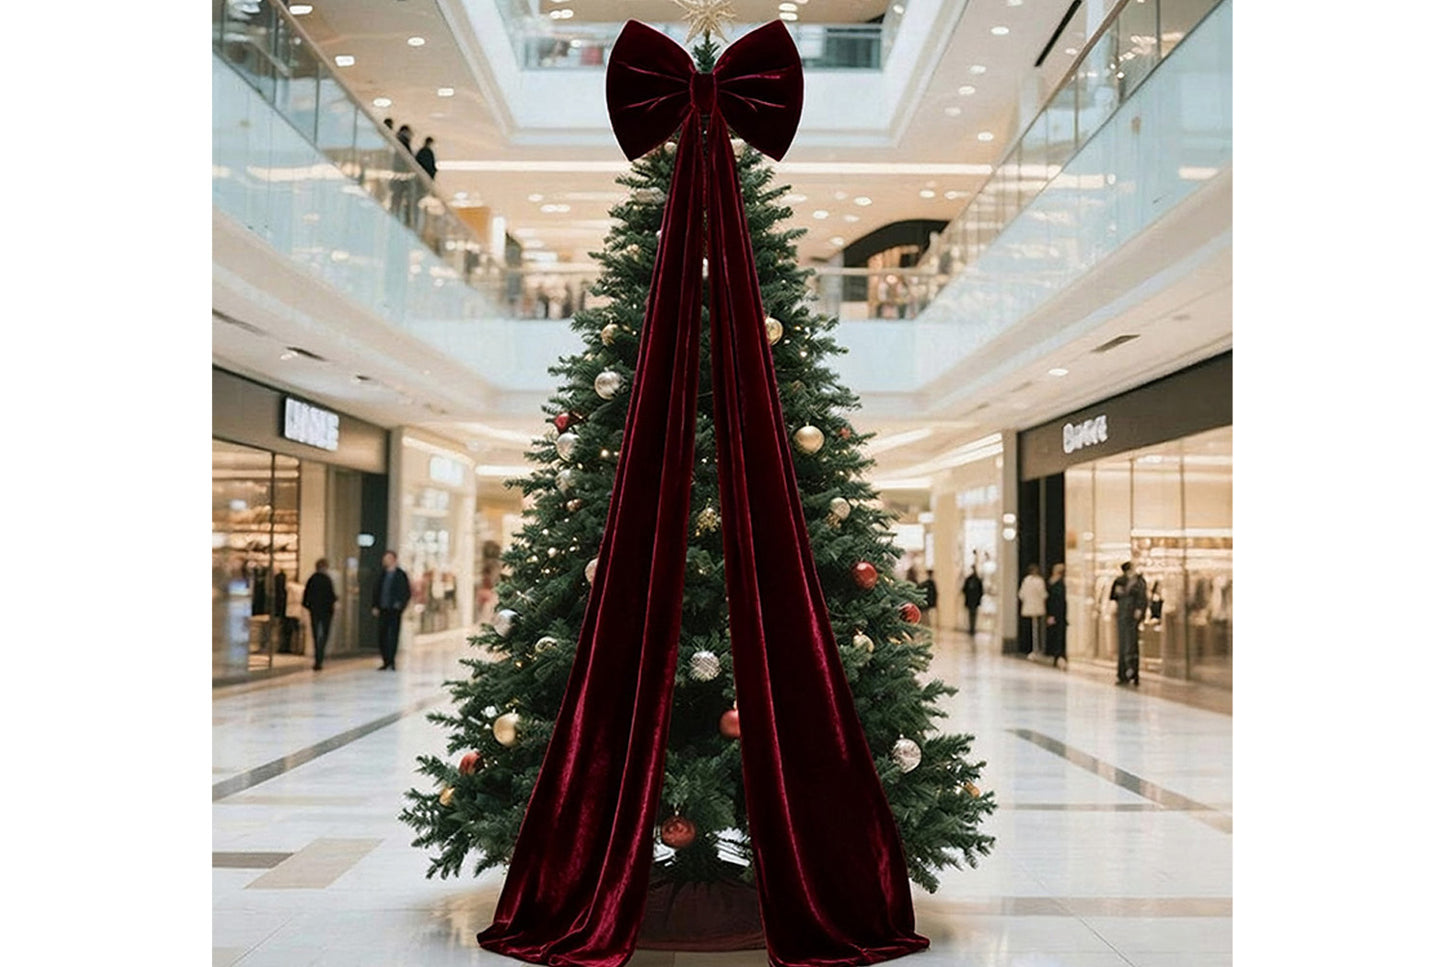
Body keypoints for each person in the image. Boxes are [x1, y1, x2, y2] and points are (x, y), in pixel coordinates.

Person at [1110, 561, 1148, 685]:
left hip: (1130, 617)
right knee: (1125, 644)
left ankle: (1132, 672)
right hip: (1124, 616)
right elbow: (1114, 596)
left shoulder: (1138, 582)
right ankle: (1124, 673)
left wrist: (1139, 610)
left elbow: (1143, 599)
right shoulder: (1121, 581)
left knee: (1131, 644)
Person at [371, 550, 411, 670]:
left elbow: (406, 592)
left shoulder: (400, 574)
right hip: (383, 608)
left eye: (388, 558)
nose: (385, 560)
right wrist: (375, 605)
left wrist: (401, 605)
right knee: (382, 634)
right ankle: (385, 660)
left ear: (394, 559)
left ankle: (392, 660)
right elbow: (376, 590)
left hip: (394, 610)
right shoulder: (381, 574)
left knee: (393, 634)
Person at [303, 558, 338, 671]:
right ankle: (320, 657)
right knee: (324, 635)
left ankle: (317, 657)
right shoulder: (327, 580)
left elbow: (306, 597)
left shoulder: (312, 579)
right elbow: (331, 596)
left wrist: (311, 607)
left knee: (315, 635)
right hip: (326, 612)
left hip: (314, 611)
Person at [1018, 564, 1047, 657]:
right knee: (1036, 628)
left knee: (1030, 628)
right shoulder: (1039, 581)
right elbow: (1043, 594)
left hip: (1027, 607)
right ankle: (1036, 649)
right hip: (1037, 607)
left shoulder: (1026, 581)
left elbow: (1021, 594)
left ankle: (1030, 648)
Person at [1045, 563, 1067, 667]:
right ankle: (1056, 654)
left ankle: (1057, 654)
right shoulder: (1057, 583)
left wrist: (1051, 614)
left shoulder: (1056, 584)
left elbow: (1055, 601)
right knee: (1056, 634)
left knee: (1056, 634)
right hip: (1056, 614)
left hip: (1056, 613)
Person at [961, 566, 984, 636]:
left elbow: (964, 590)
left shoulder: (970, 580)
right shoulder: (975, 580)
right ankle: (972, 628)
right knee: (972, 614)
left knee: (972, 614)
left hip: (972, 600)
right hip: (973, 600)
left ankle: (972, 628)